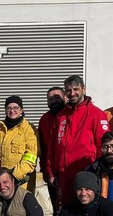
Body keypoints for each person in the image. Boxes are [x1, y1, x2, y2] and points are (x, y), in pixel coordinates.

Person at [46, 75, 109, 208]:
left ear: (84, 89)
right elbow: (53, 147)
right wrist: (51, 172)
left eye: (76, 89)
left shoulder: (97, 114)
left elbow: (102, 146)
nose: (72, 93)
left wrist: (97, 170)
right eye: (69, 90)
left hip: (86, 174)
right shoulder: (60, 116)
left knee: (86, 211)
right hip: (63, 176)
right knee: (65, 214)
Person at [0, 95, 38, 190]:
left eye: (16, 108)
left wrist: (14, 176)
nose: (12, 111)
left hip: (21, 180)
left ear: (21, 110)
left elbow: (31, 156)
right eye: (9, 108)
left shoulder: (29, 129)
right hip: (1, 180)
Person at [38, 86, 66, 211]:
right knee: (57, 210)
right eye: (50, 99)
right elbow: (43, 149)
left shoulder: (70, 116)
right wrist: (46, 172)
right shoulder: (44, 120)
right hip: (52, 174)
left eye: (57, 97)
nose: (53, 101)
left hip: (69, 171)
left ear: (65, 97)